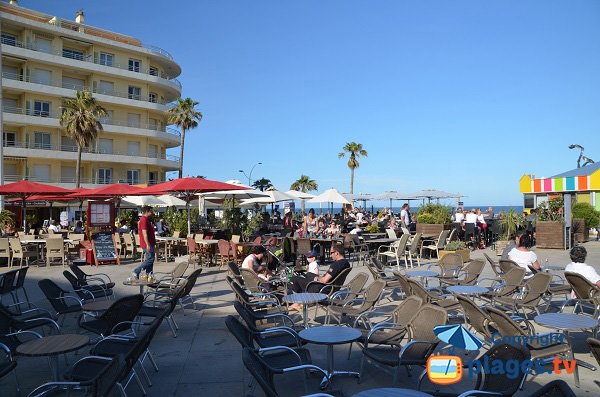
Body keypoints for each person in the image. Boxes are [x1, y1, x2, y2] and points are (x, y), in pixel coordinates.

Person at [289, 243, 351, 309]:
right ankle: (302, 299)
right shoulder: (346, 263)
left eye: (331, 253)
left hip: (322, 288)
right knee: (308, 274)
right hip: (330, 286)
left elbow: (324, 280)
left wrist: (317, 279)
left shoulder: (336, 265)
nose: (330, 255)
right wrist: (317, 277)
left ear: (337, 253)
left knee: (294, 279)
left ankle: (298, 302)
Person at [132, 206, 156, 279]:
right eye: (151, 211)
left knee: (150, 260)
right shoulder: (144, 220)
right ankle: (136, 271)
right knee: (150, 259)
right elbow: (144, 233)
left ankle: (149, 276)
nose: (152, 212)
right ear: (147, 211)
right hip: (147, 243)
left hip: (150, 243)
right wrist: (148, 244)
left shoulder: (145, 220)